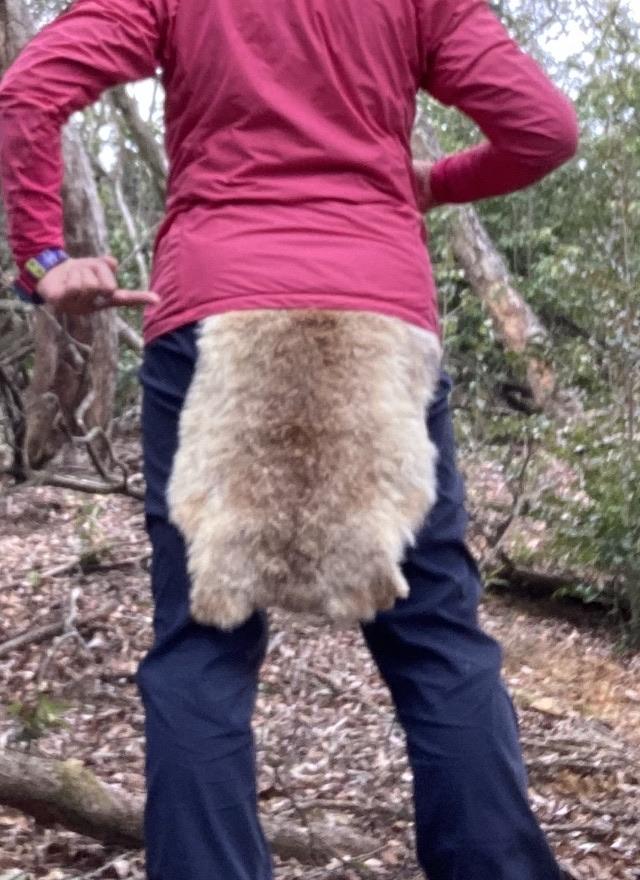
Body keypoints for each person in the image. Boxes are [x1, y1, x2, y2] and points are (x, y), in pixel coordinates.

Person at [0, 1, 578, 878]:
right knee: (436, 640)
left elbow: (29, 91)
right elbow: (543, 130)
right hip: (377, 318)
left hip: (216, 308)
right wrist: (433, 180)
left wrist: (45, 258)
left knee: (204, 644)